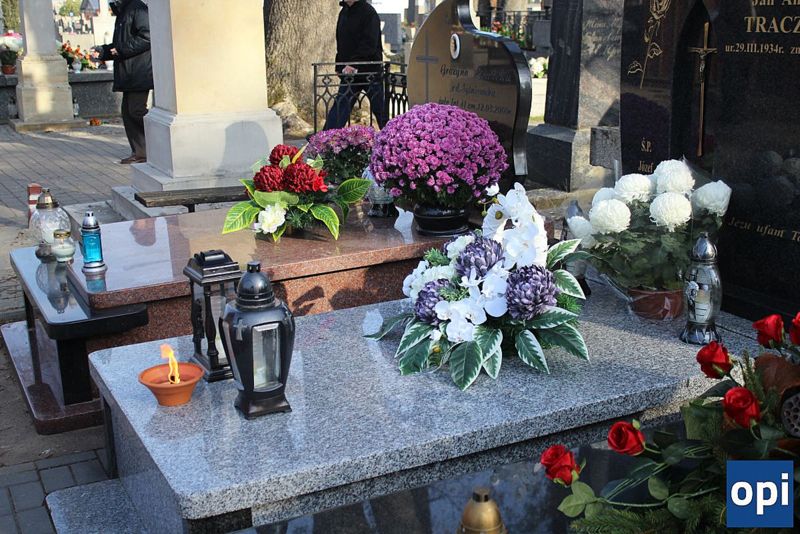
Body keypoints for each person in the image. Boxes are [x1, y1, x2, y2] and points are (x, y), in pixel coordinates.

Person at [92, 0, 153, 164]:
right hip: (129, 72)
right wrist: (103, 52)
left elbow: (147, 37)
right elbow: (121, 43)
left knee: (136, 110)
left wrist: (120, 49)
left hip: (139, 70)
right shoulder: (124, 10)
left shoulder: (137, 8)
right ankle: (141, 153)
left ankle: (158, 143)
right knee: (127, 112)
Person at [323, 0, 386, 130]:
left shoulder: (368, 13)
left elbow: (369, 43)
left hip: (369, 71)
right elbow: (341, 42)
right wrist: (339, 65)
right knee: (341, 106)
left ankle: (392, 137)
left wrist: (354, 63)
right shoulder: (344, 12)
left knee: (379, 109)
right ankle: (326, 137)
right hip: (350, 72)